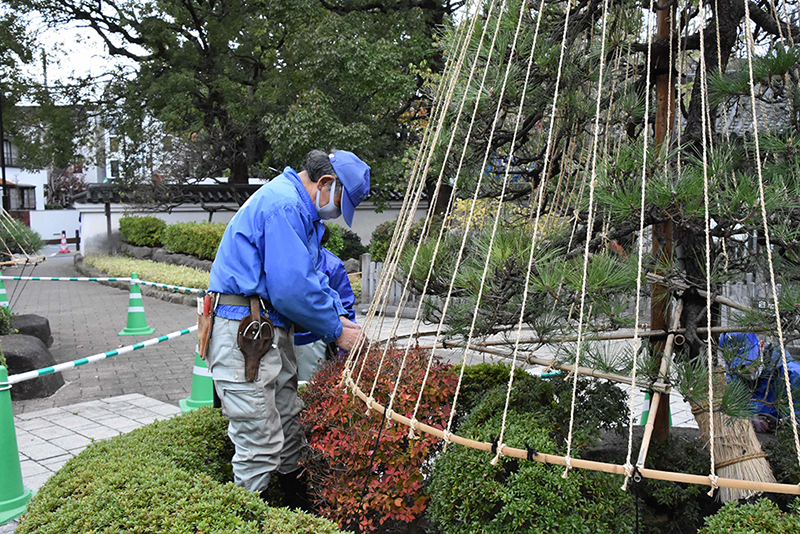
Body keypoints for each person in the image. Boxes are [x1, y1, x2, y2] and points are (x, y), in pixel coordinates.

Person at [206, 149, 370, 509]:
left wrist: (337, 317)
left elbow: (312, 279)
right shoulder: (285, 206)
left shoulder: (300, 211)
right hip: (244, 333)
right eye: (339, 203)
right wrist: (337, 330)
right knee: (259, 440)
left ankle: (293, 512)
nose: (336, 214)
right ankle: (247, 518)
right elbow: (291, 288)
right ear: (326, 183)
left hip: (264, 330)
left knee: (288, 427)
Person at [295, 242, 356, 382]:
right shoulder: (330, 262)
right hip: (313, 336)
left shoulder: (330, 263)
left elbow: (344, 306)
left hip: (314, 337)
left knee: (308, 385)